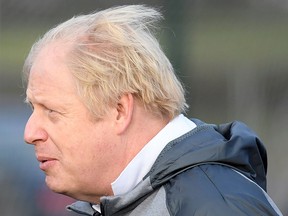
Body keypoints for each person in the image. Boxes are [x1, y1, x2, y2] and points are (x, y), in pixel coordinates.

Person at [23, 5, 282, 216]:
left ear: (119, 110)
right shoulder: (119, 199)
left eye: (52, 111)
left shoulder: (217, 206)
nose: (30, 132)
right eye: (33, 108)